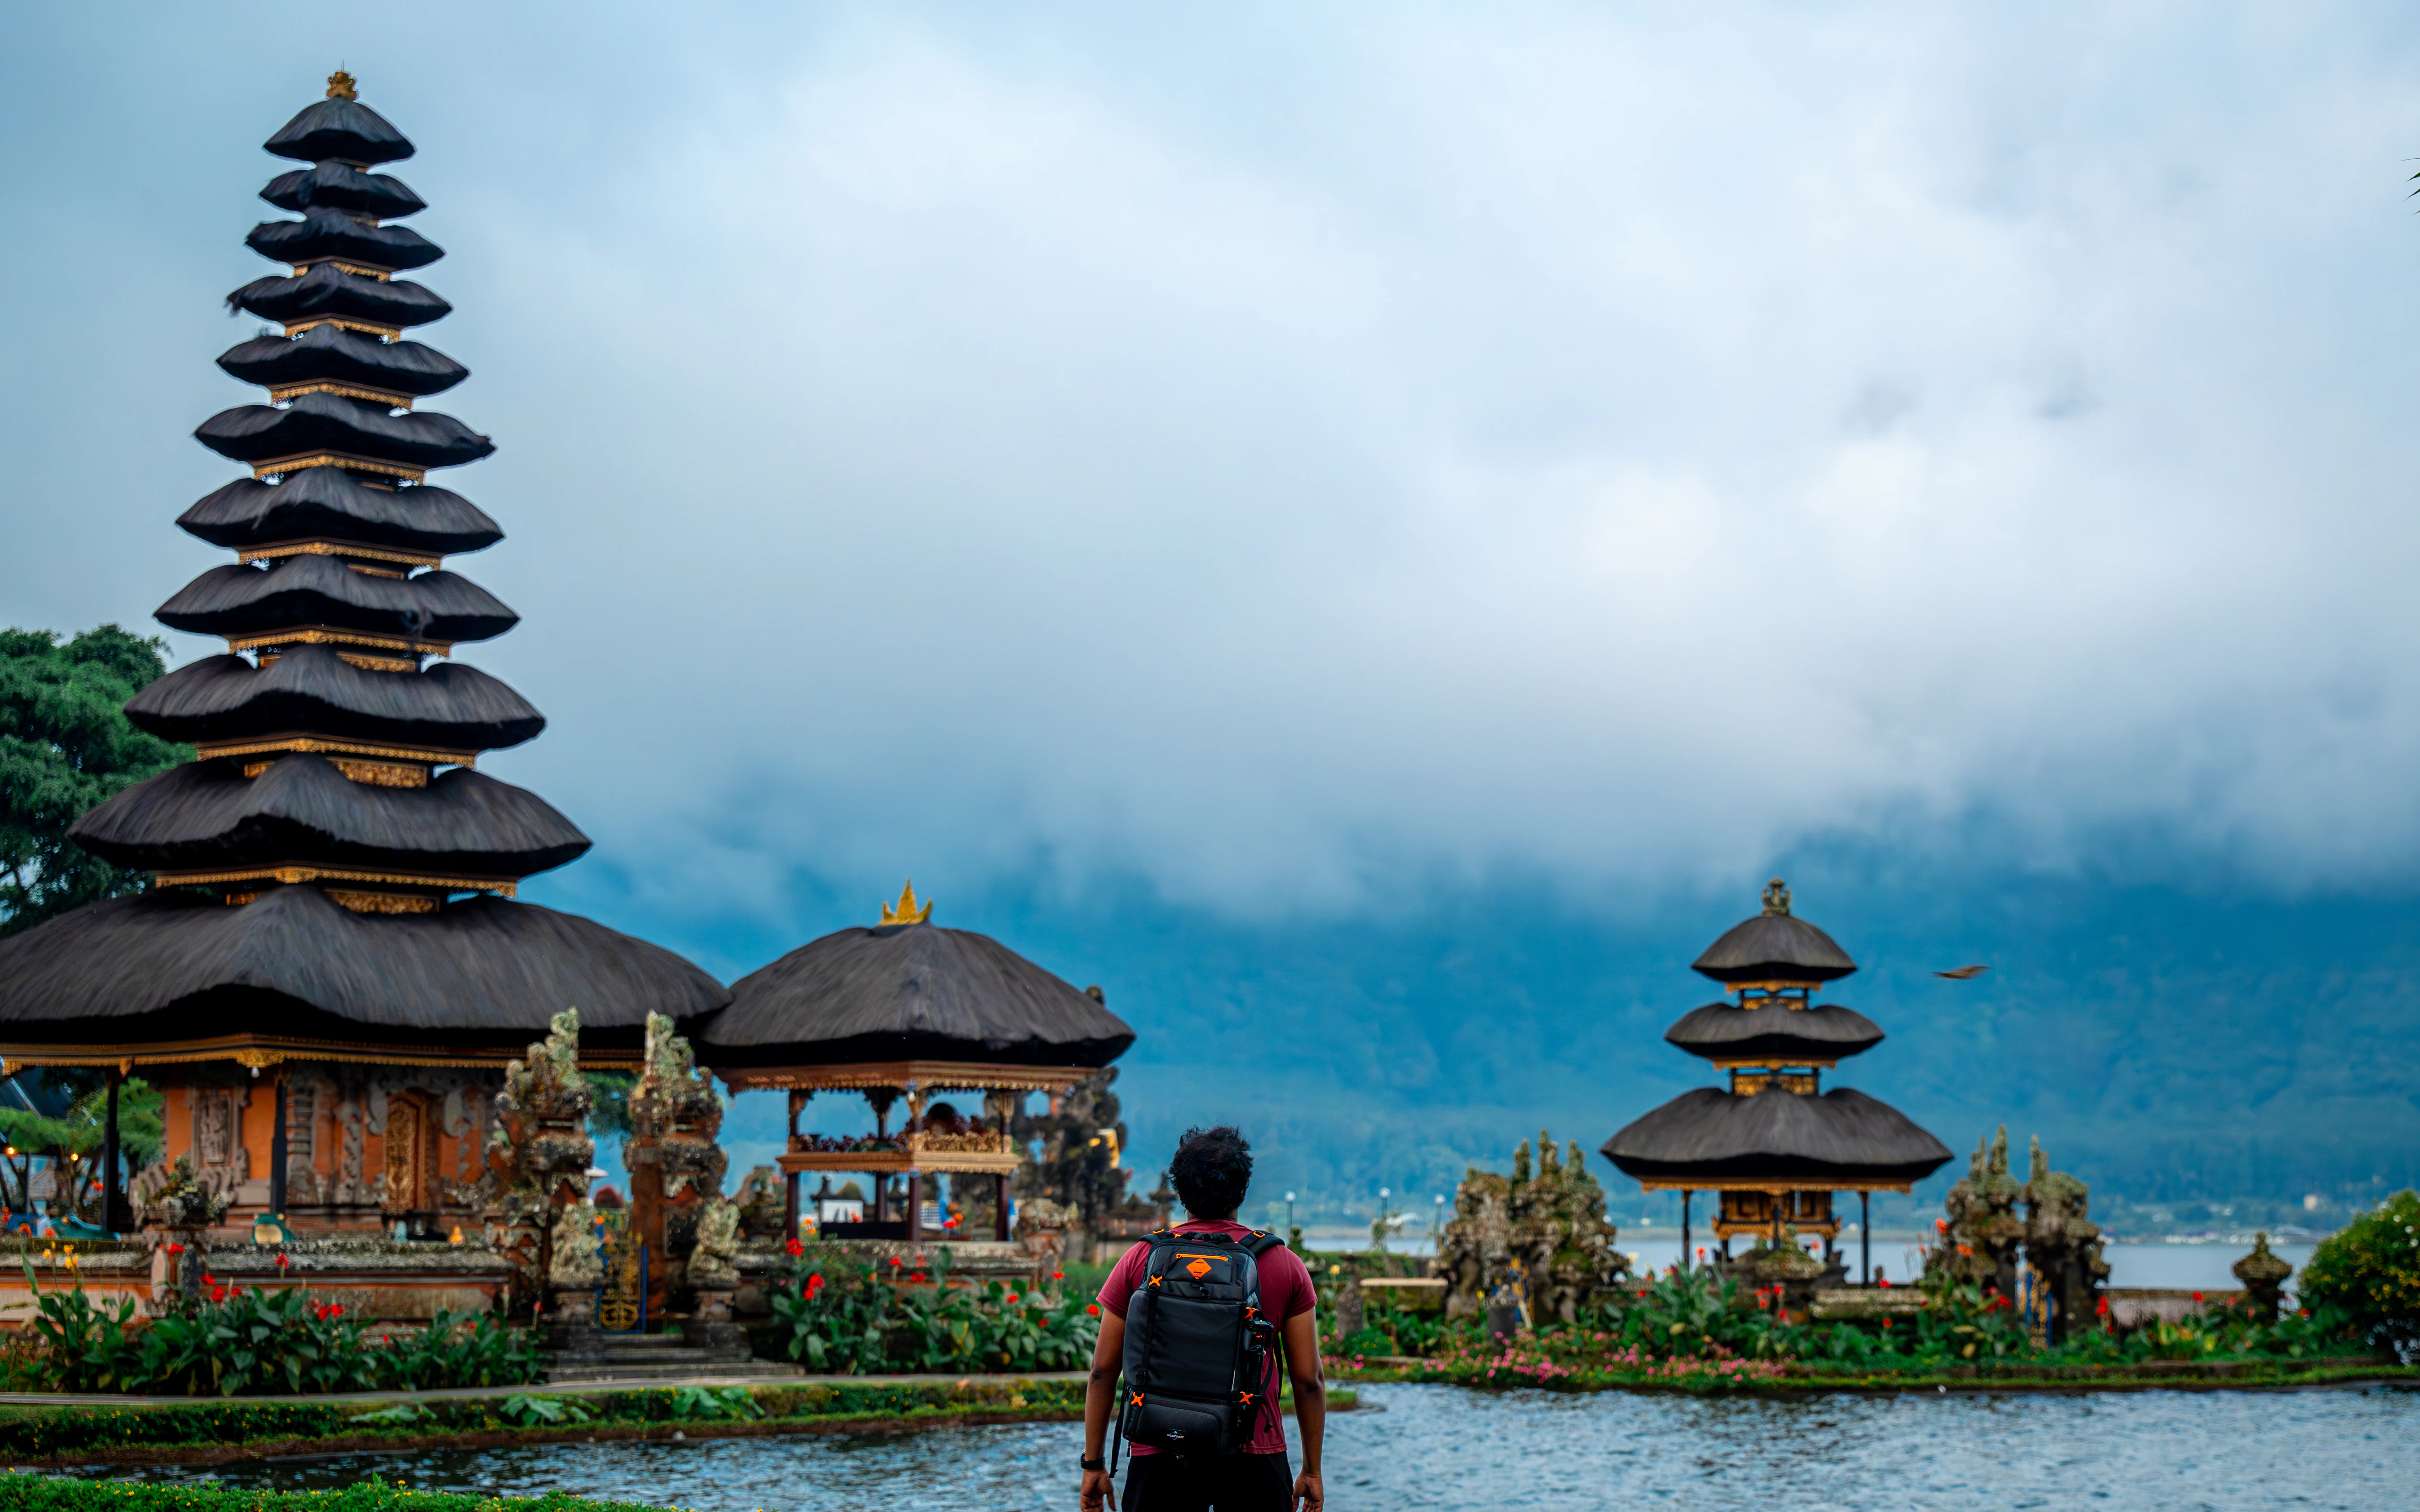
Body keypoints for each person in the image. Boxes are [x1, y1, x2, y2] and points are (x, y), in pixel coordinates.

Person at [1080, 1125, 1324, 1512]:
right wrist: (1312, 1470)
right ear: (1243, 1189)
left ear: (1179, 1190)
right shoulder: (1283, 1263)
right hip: (1254, 1456)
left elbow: (1102, 1372)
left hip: (1160, 1451)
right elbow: (1309, 1381)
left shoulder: (1142, 1259)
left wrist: (1093, 1464)